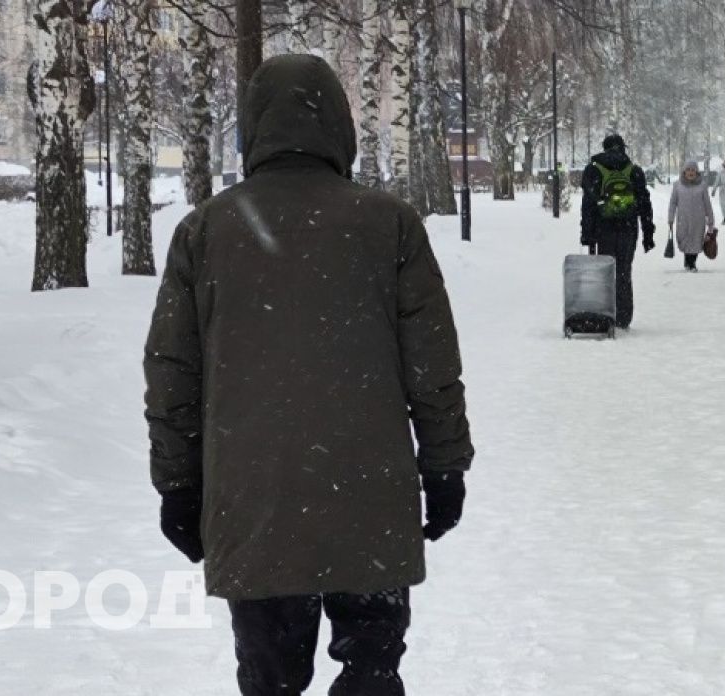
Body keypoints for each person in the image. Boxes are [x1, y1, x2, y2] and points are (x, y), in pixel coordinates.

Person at [144, 55, 475, 696]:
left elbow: (173, 375)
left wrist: (178, 483)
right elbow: (433, 364)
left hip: (256, 497)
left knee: (270, 679)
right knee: (372, 671)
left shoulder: (206, 231)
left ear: (251, 129)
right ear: (341, 127)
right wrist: (443, 467)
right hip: (369, 494)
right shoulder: (388, 223)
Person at [579, 134, 656, 329]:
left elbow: (588, 204)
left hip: (603, 228)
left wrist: (587, 234)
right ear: (623, 148)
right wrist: (648, 234)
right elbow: (644, 204)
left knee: (605, 271)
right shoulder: (634, 170)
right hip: (628, 228)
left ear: (604, 148)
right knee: (623, 271)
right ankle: (623, 317)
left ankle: (604, 315)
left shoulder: (593, 169)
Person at [669, 161, 716, 272]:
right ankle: (687, 261)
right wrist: (671, 217)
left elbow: (707, 203)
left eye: (693, 170)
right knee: (684, 239)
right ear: (684, 172)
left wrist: (710, 220)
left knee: (696, 241)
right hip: (683, 219)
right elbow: (673, 203)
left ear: (697, 172)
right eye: (688, 170)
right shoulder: (677, 185)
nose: (690, 172)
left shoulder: (702, 185)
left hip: (698, 220)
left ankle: (692, 263)